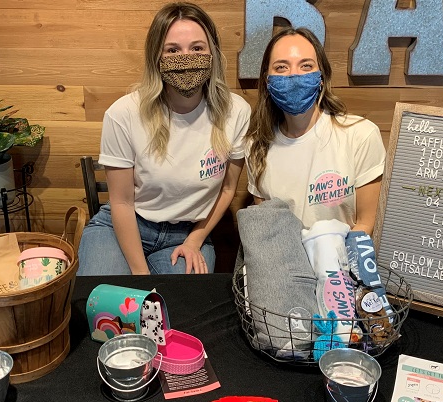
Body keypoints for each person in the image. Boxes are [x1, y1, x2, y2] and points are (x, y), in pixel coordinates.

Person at [78, 2, 250, 275]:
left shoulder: (236, 111)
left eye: (197, 48)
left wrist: (195, 239)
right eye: (173, 50)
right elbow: (122, 202)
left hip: (188, 233)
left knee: (181, 312)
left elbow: (228, 189)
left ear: (213, 53)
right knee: (107, 308)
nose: (186, 57)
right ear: (156, 57)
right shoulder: (123, 114)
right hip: (125, 225)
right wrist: (140, 276)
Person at [245, 27, 386, 234]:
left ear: (321, 77)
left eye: (306, 66)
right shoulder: (256, 146)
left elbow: (366, 224)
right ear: (267, 80)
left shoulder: (360, 136)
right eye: (281, 67)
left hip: (341, 261)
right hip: (285, 263)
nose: (294, 75)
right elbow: (268, 231)